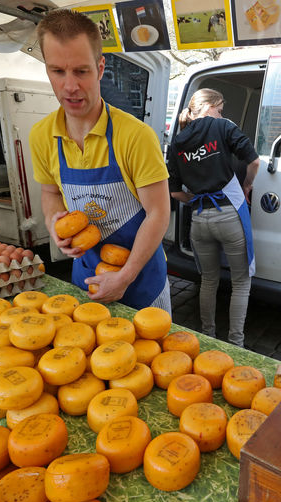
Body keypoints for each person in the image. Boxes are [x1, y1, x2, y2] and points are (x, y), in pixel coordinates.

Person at [29, 9, 171, 313]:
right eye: (58, 71)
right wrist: (54, 224)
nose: (70, 86)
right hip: (87, 280)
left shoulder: (135, 136)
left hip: (142, 282)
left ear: (100, 68)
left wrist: (126, 275)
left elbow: (158, 212)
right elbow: (50, 193)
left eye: (81, 71)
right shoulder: (41, 137)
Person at [167, 88, 260, 347]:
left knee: (208, 280)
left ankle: (208, 337)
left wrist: (196, 199)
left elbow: (175, 192)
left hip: (199, 221)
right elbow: (254, 162)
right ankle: (235, 344)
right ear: (209, 107)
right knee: (241, 282)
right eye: (219, 110)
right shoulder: (221, 127)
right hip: (229, 216)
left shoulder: (177, 142)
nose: (221, 115)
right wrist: (246, 186)